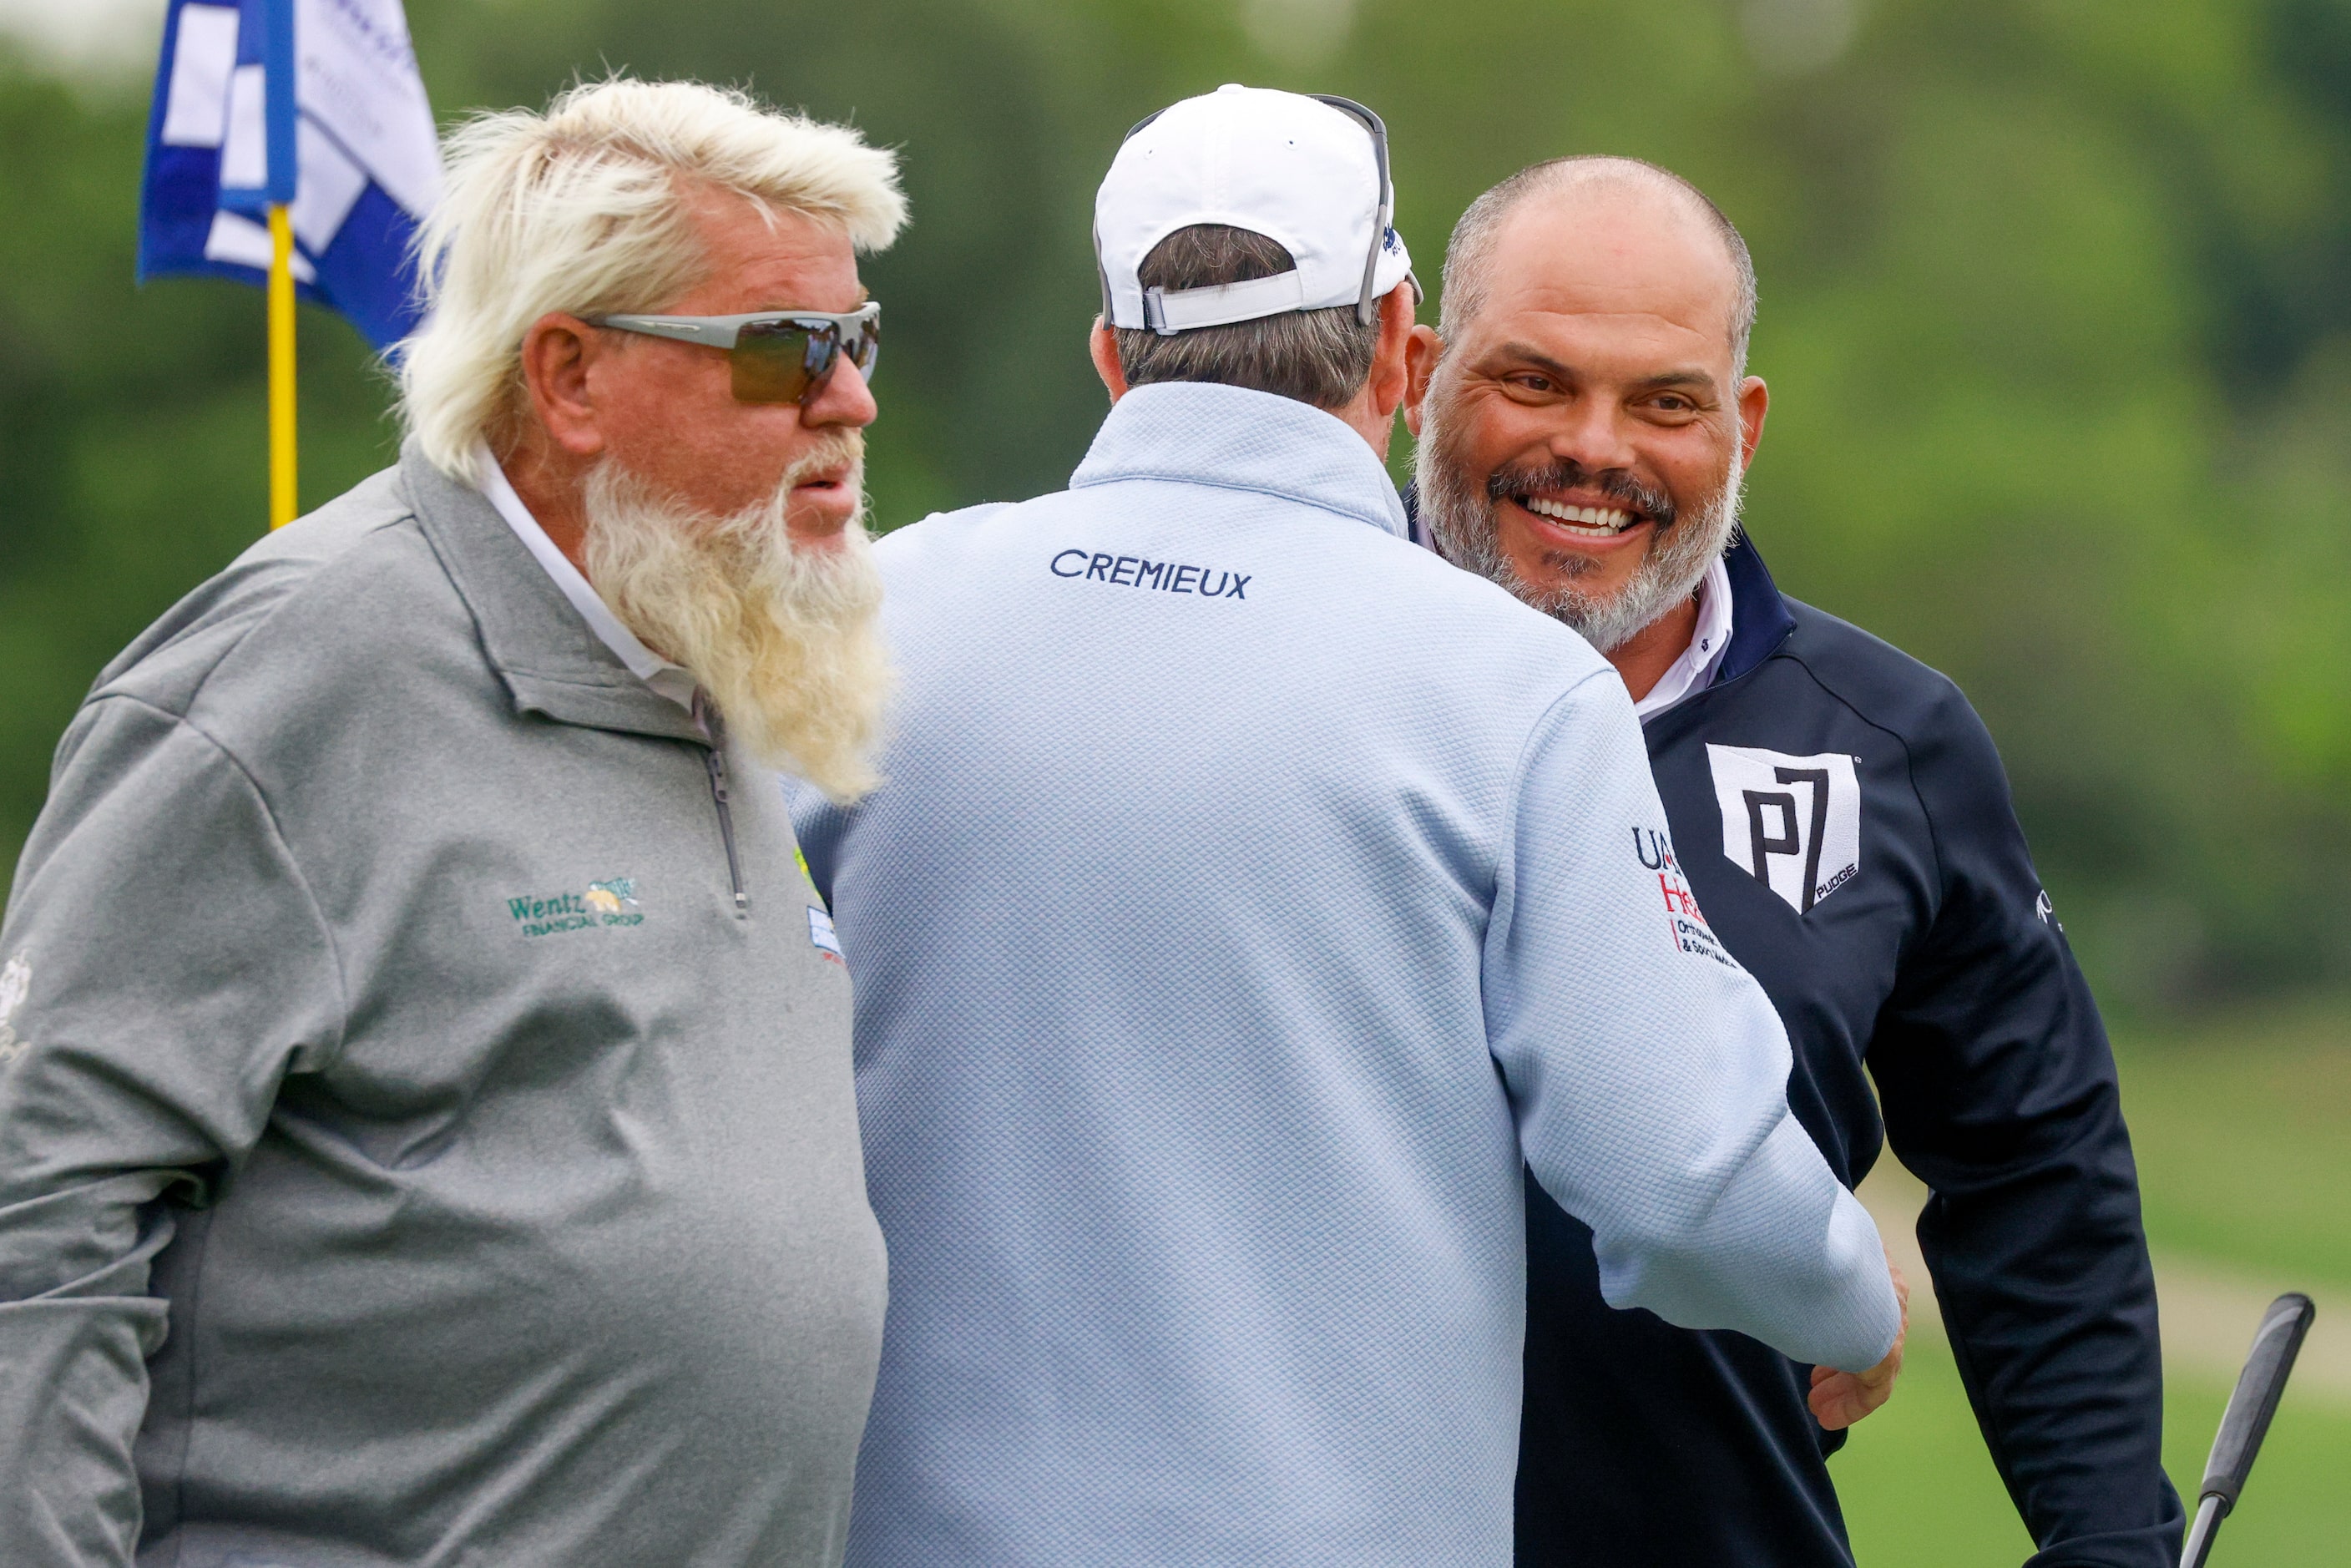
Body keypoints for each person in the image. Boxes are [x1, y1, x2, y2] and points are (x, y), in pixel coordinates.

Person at [789, 84, 1903, 1568]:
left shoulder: (874, 614)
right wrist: (1847, 1297)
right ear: (1397, 341)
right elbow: (1680, 1173)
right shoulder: (1511, 686)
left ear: (1114, 352)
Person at [0, 78, 906, 1566]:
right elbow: (42, 1230)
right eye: (787, 347)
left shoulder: (709, 630)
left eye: (857, 337)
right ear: (569, 379)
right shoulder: (283, 679)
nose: (851, 398)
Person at [1401, 155, 2180, 1567]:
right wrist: (1831, 1283)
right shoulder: (1283, 691)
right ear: (1421, 372)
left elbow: (2033, 1172)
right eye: (1535, 381)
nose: (1595, 447)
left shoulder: (1892, 743)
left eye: (1666, 402)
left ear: (1742, 423)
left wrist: (2111, 1539)